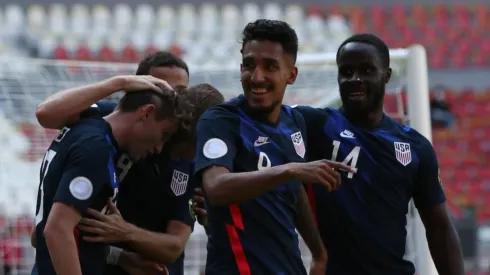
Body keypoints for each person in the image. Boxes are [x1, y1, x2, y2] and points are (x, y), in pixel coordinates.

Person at [194, 19, 354, 275]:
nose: (257, 77)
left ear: (291, 75)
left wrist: (319, 252)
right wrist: (289, 170)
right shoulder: (220, 121)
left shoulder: (294, 122)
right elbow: (215, 188)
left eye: (270, 66)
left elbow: (295, 190)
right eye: (249, 65)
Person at [295, 33, 464, 275]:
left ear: (386, 76)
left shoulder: (415, 147)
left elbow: (439, 228)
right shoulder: (314, 125)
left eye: (366, 70)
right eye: (347, 71)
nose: (355, 79)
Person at [33, 51, 213, 275]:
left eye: (180, 91)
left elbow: (174, 246)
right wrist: (118, 82)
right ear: (143, 89)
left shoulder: (186, 160)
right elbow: (45, 114)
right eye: (163, 87)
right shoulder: (106, 131)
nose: (173, 97)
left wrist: (125, 236)